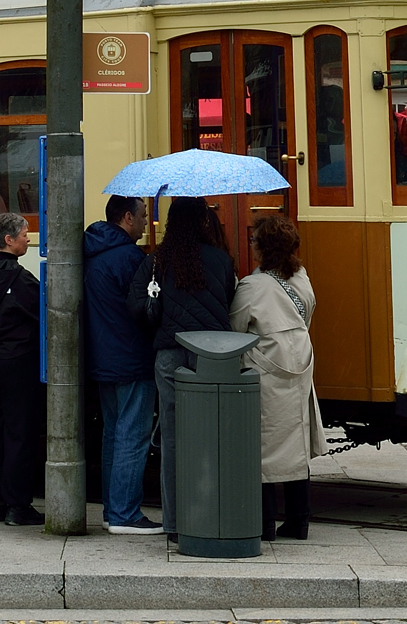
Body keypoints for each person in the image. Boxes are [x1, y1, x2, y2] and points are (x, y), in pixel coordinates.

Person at [230, 214, 322, 542]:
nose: (251, 244)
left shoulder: (252, 287)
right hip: (299, 364)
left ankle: (265, 522)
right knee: (296, 443)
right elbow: (308, 312)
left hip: (266, 369)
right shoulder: (301, 277)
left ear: (264, 247)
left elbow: (235, 329)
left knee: (263, 445)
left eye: (254, 239)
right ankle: (299, 520)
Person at [150, 195, 236, 542]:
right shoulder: (221, 260)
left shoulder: (160, 260)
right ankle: (209, 515)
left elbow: (143, 305)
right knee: (211, 436)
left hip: (170, 353)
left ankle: (173, 523)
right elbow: (229, 300)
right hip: (211, 355)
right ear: (203, 221)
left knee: (172, 438)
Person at [84, 194, 160, 534]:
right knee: (133, 436)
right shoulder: (130, 258)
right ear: (127, 217)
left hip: (103, 357)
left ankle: (112, 509)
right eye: (143, 216)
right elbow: (145, 309)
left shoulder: (93, 252)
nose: (146, 222)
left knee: (114, 434)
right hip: (132, 357)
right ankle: (124, 514)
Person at [0, 211, 43, 525]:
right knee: (19, 432)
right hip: (17, 360)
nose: (29, 239)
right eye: (25, 234)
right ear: (9, 240)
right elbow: (42, 313)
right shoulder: (22, 279)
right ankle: (18, 505)